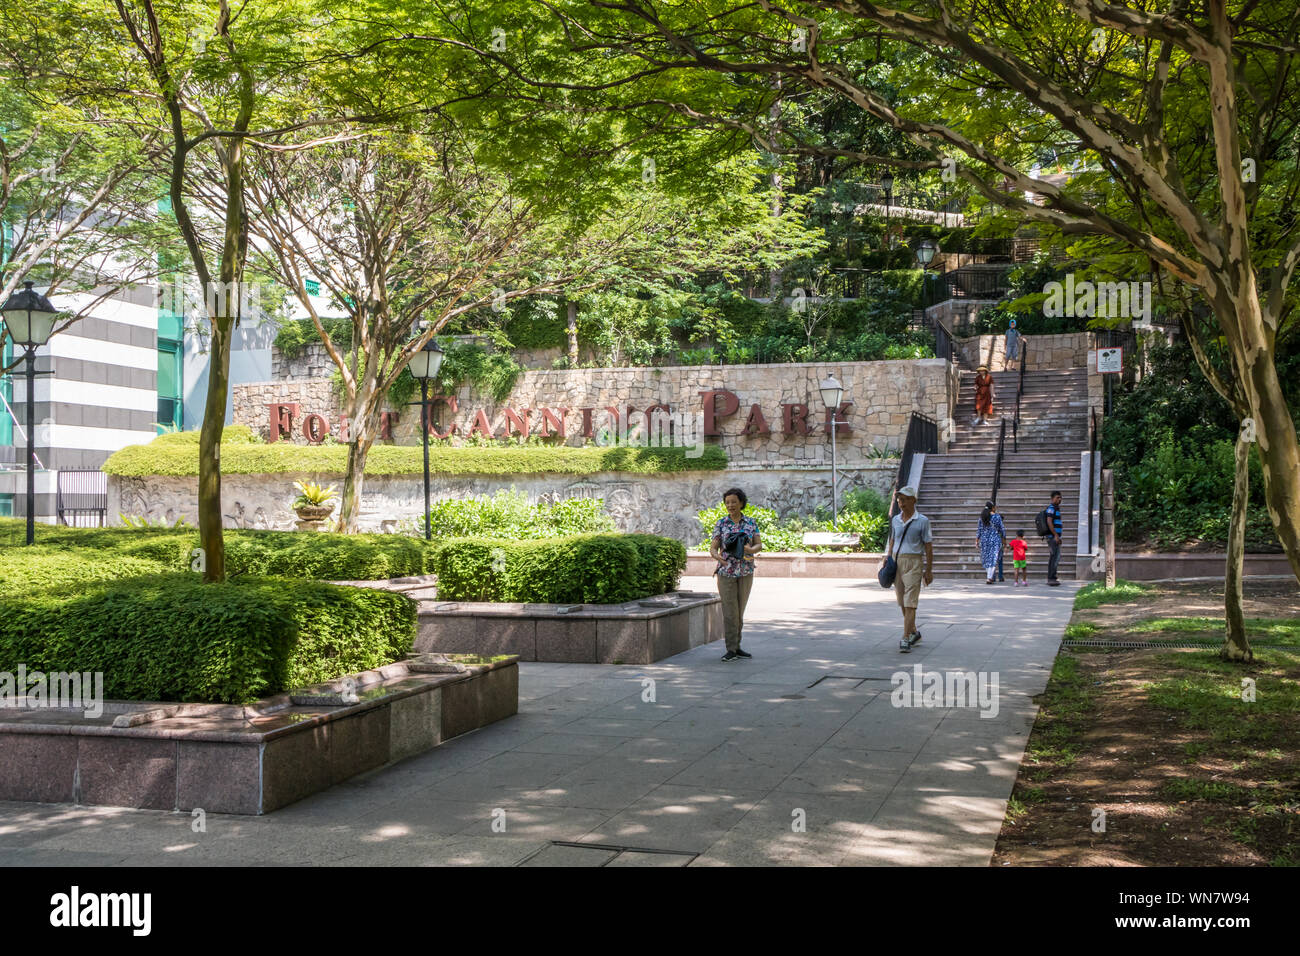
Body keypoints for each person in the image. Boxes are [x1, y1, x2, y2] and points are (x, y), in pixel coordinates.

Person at [709, 487, 762, 661]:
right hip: (726, 572)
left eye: (733, 502)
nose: (730, 505)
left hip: (746, 571)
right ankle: (730, 649)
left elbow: (758, 546)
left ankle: (737, 647)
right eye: (727, 502)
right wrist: (719, 558)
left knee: (739, 612)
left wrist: (749, 549)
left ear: (741, 503)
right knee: (730, 612)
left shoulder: (751, 523)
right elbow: (713, 547)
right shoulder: (722, 523)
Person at [882, 485, 933, 651]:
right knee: (902, 600)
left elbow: (928, 546)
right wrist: (888, 557)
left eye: (904, 500)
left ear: (913, 500)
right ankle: (913, 632)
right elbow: (893, 540)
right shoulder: (896, 520)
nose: (901, 503)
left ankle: (905, 637)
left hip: (914, 562)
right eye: (899, 500)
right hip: (897, 561)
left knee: (910, 601)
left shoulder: (923, 521)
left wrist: (929, 570)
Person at [976, 499, 1006, 584]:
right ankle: (989, 578)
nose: (995, 508)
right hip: (995, 540)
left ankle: (989, 577)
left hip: (984, 540)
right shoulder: (997, 517)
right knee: (993, 559)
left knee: (986, 558)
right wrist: (1004, 540)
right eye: (994, 507)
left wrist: (977, 540)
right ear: (992, 508)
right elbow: (1002, 530)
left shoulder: (981, 517)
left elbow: (979, 530)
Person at [1043, 490, 1064, 586]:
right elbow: (1049, 521)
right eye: (1057, 498)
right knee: (1054, 557)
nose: (1059, 499)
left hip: (1055, 537)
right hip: (1052, 537)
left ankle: (1052, 577)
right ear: (1052, 499)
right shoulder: (1051, 508)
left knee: (1055, 557)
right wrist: (1055, 535)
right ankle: (1051, 578)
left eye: (1060, 498)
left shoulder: (1056, 508)